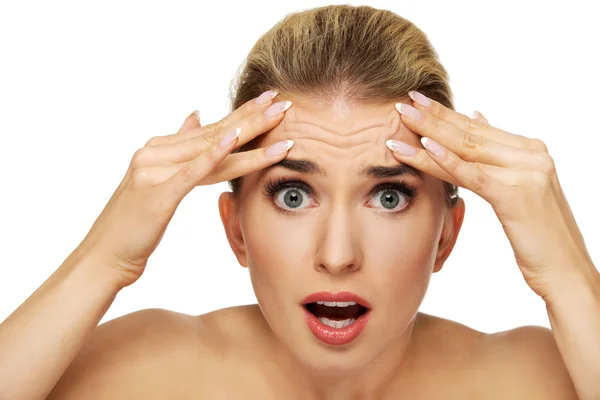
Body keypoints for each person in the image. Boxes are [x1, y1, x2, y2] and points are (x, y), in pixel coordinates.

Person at [0, 4, 598, 399]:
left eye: (388, 195)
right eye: (293, 194)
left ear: (447, 233)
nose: (337, 256)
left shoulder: (538, 379)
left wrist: (565, 273)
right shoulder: (140, 372)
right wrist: (105, 258)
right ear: (236, 229)